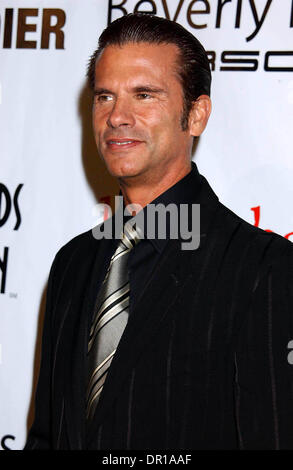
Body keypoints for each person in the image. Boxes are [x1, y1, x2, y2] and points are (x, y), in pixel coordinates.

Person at [25, 13, 293, 450]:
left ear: (197, 114)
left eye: (144, 95)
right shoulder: (73, 263)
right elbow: (47, 435)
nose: (116, 117)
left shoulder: (263, 269)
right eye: (105, 96)